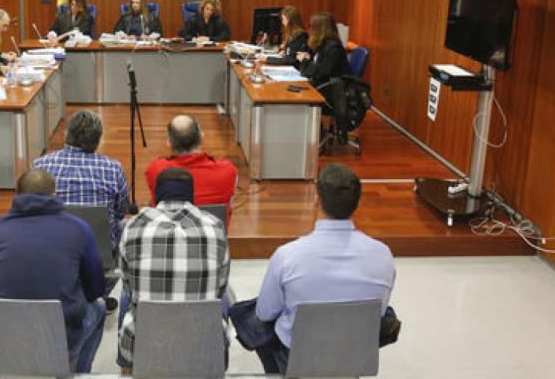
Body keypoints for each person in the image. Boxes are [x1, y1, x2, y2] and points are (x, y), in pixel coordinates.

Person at [246, 163, 396, 375]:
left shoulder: (287, 256)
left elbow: (265, 313)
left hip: (297, 359)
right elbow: (378, 312)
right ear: (358, 203)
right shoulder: (383, 255)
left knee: (250, 315)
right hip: (353, 354)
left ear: (316, 200)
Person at [0, 169, 106, 373]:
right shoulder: (78, 228)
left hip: (9, 337)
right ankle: (78, 372)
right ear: (54, 194)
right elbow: (95, 289)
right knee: (100, 307)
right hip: (60, 337)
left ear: (16, 194)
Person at [117, 167, 230, 371]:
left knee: (127, 297)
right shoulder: (215, 226)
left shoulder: (133, 226)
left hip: (143, 344)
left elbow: (127, 283)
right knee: (226, 296)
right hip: (205, 346)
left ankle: (126, 367)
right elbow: (220, 286)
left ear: (157, 194)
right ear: (191, 193)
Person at [33, 110, 129, 309]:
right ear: (98, 139)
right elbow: (121, 210)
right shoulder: (113, 168)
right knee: (124, 225)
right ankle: (99, 293)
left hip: (51, 249)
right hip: (100, 254)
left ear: (66, 135)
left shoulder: (40, 164)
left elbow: (35, 209)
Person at [144, 114, 237, 225]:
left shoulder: (155, 170)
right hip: (213, 238)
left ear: (169, 142)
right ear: (201, 136)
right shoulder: (227, 171)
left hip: (169, 238)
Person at [297, 12, 350, 90]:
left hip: (332, 90)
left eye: (311, 27)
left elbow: (321, 73)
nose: (309, 30)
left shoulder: (333, 48)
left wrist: (305, 61)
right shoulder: (321, 44)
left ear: (318, 29)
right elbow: (309, 71)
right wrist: (307, 59)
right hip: (322, 85)